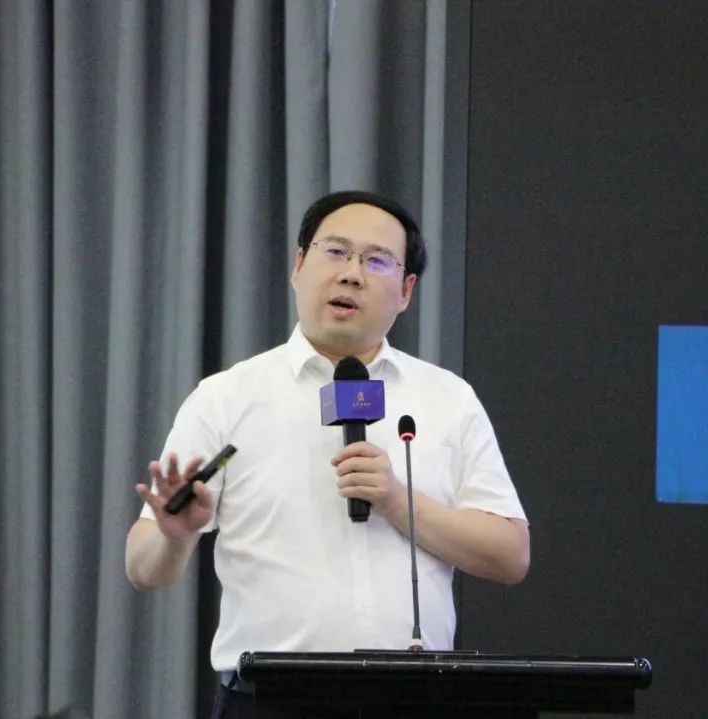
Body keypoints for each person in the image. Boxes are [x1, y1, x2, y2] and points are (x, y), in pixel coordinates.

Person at [125, 190, 530, 718]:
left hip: (415, 698)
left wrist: (396, 501)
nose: (352, 274)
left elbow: (510, 555)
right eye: (335, 252)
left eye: (377, 261)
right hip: (270, 702)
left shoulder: (447, 399)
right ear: (299, 266)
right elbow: (143, 568)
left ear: (406, 290)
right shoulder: (226, 397)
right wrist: (175, 537)